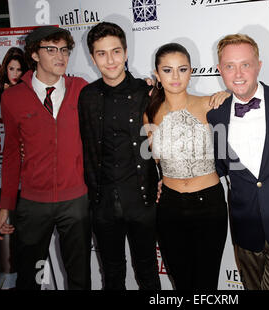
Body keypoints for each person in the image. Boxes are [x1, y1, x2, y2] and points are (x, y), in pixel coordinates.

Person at [0, 26, 91, 290]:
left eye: (64, 50)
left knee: (80, 276)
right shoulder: (12, 97)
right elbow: (11, 153)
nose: (60, 56)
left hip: (76, 201)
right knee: (30, 276)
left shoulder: (81, 88)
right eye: (51, 49)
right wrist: (5, 205)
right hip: (33, 203)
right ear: (34, 54)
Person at [207, 34, 269, 290]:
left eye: (246, 64)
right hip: (245, 234)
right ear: (219, 70)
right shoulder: (216, 114)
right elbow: (219, 167)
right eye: (229, 66)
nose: (238, 73)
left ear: (259, 65)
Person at [78, 21, 161, 290]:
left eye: (116, 51)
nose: (110, 60)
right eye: (101, 53)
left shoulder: (146, 92)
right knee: (112, 277)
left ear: (126, 53)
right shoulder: (86, 96)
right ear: (92, 58)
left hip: (142, 201)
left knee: (148, 273)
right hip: (103, 205)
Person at [143, 42, 229, 290]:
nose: (175, 77)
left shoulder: (210, 105)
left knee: (206, 284)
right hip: (170, 206)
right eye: (167, 70)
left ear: (191, 71)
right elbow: (156, 162)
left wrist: (228, 94)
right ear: (157, 75)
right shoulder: (149, 112)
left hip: (209, 205)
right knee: (181, 282)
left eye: (182, 69)